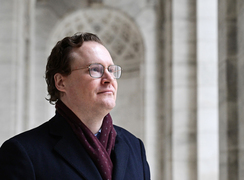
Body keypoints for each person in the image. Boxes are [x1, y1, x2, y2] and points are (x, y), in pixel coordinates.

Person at [0, 32, 150, 180]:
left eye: (111, 70)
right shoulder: (22, 152)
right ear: (61, 82)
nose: (109, 78)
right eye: (96, 70)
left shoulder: (135, 147)